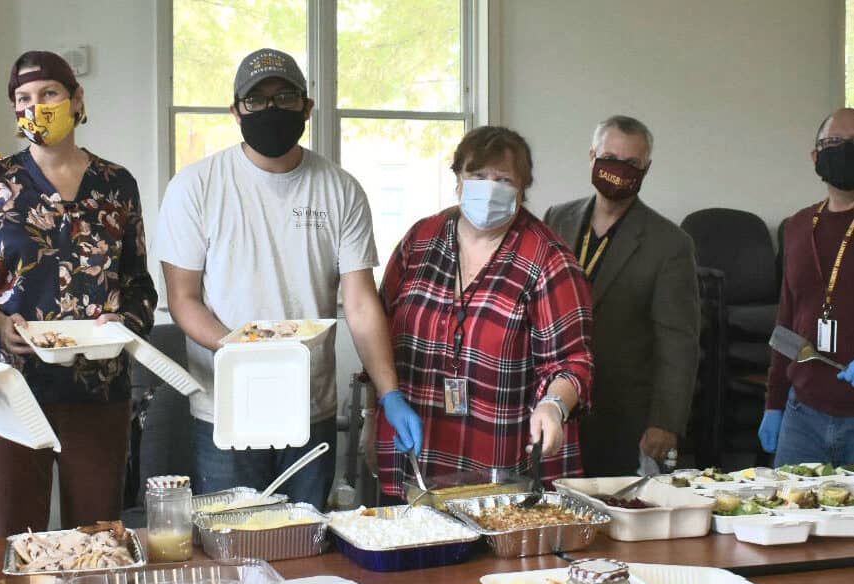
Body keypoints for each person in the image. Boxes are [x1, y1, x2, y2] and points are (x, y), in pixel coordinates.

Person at [155, 48, 422, 509]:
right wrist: (240, 350)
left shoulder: (340, 189)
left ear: (308, 107)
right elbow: (183, 298)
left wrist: (390, 392)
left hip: (308, 409)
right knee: (232, 555)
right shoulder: (196, 186)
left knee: (306, 554)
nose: (271, 109)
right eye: (256, 100)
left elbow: (359, 304)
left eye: (284, 96)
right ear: (236, 110)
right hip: (227, 408)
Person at [0, 51, 157, 537]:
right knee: (13, 542)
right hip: (8, 386)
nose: (35, 107)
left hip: (99, 388)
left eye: (49, 94)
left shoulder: (116, 185)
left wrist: (125, 322)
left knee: (98, 540)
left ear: (77, 100)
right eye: (23, 98)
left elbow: (138, 284)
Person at [372, 126, 594, 499]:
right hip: (414, 457)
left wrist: (555, 405)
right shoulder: (421, 240)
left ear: (522, 188)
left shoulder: (548, 259)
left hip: (501, 469)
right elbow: (379, 326)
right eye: (477, 176)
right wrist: (379, 404)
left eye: (503, 179)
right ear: (458, 180)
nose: (489, 187)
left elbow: (573, 361)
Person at [545, 116, 699, 476]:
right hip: (555, 404)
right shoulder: (556, 219)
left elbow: (679, 341)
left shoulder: (670, 244)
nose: (618, 170)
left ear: (646, 168)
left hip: (623, 413)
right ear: (592, 157)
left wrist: (667, 421)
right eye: (610, 157)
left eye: (630, 164)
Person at [761, 108, 854, 465]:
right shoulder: (799, 226)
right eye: (834, 143)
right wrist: (774, 403)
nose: (844, 150)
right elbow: (786, 321)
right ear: (816, 156)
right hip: (803, 415)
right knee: (790, 517)